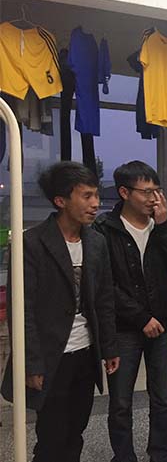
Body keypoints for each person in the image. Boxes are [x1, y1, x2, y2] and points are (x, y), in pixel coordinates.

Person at [0, 161, 119, 462]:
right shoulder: (31, 243)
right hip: (51, 356)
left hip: (85, 353)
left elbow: (104, 299)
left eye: (96, 195)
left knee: (76, 430)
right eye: (87, 196)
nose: (95, 203)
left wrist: (109, 347)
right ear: (61, 200)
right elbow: (22, 310)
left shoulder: (96, 242)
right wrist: (31, 364)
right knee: (51, 436)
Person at [94, 161, 167, 462]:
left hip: (163, 325)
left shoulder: (163, 226)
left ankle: (160, 453)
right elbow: (104, 285)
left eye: (157, 191)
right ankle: (124, 456)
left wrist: (165, 226)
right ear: (124, 193)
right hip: (124, 329)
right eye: (146, 192)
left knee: (161, 397)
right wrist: (141, 318)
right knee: (121, 402)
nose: (154, 198)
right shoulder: (104, 230)